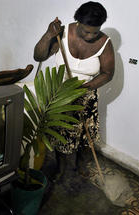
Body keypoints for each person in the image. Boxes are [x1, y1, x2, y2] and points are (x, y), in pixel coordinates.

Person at [34, 2, 115, 183]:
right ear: (77, 22)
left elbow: (108, 74)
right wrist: (48, 35)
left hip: (85, 94)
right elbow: (38, 56)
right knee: (55, 133)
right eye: (86, 31)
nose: (90, 36)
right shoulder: (61, 34)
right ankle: (55, 164)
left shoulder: (104, 43)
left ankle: (79, 165)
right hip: (58, 94)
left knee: (84, 136)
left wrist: (86, 87)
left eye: (95, 32)